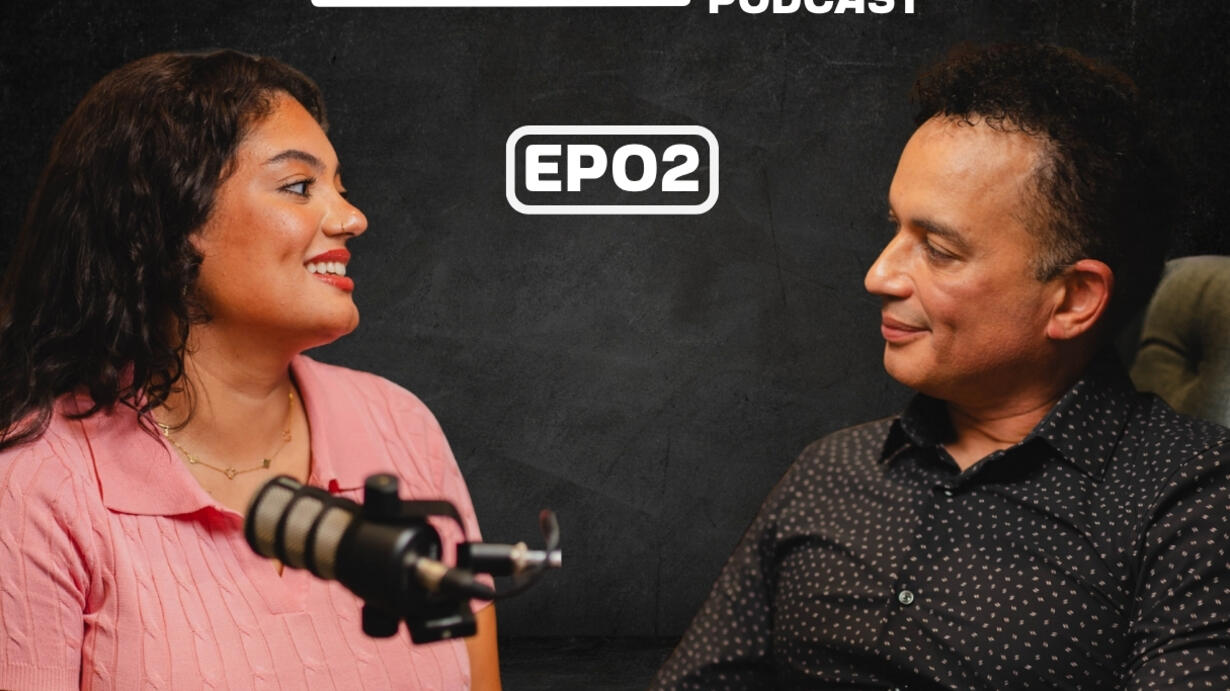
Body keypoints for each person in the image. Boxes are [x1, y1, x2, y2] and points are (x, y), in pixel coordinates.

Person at [652, 43, 1230, 689]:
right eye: (895, 228)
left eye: (939, 249)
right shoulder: (829, 469)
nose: (879, 275)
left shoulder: (1198, 501)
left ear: (1072, 299)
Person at [0, 50, 500, 690]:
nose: (352, 218)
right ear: (171, 220)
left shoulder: (399, 427)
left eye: (341, 187)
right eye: (299, 186)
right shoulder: (38, 488)